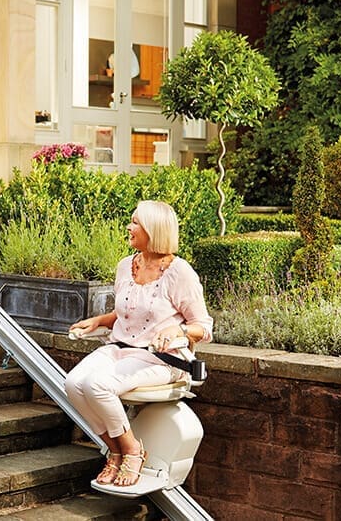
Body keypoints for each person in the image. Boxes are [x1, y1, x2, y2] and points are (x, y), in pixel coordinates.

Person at [64, 200, 213, 487]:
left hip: (162, 359)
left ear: (154, 229)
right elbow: (128, 311)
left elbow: (203, 327)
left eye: (135, 222)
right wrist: (99, 321)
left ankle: (132, 451)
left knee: (97, 385)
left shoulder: (180, 273)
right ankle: (116, 451)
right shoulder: (126, 266)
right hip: (120, 349)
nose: (129, 227)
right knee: (73, 383)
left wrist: (176, 329)